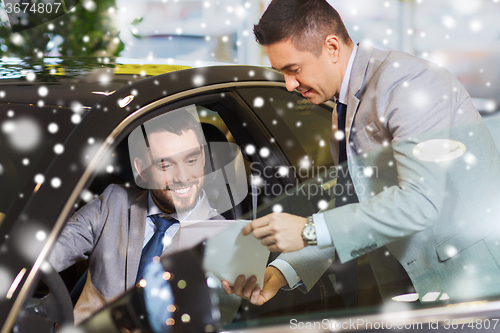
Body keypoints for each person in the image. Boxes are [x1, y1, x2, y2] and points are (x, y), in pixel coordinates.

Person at [222, 0, 500, 306]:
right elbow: (352, 205)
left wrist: (308, 229)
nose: (288, 84)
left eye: (293, 69)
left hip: (470, 286)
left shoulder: (408, 83)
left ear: (331, 47)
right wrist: (281, 273)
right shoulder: (342, 108)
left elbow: (420, 201)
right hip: (410, 291)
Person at [48, 109, 225, 325]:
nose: (183, 177)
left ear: (203, 158)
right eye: (165, 165)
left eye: (191, 160)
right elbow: (50, 251)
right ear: (142, 170)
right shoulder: (114, 201)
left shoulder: (221, 236)